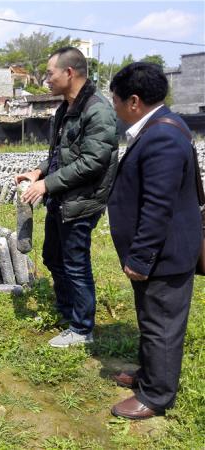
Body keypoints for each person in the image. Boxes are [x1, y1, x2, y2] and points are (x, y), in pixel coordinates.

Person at [108, 62, 201, 419]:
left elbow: (158, 207)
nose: (114, 108)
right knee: (150, 318)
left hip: (164, 254)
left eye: (115, 101)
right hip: (161, 253)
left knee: (162, 324)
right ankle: (150, 375)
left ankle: (157, 396)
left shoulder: (161, 135)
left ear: (134, 101)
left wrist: (141, 258)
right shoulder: (163, 126)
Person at [15, 47, 118, 347]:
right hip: (63, 198)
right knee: (52, 256)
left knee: (75, 263)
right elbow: (62, 155)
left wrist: (47, 185)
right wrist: (38, 172)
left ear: (69, 73)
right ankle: (67, 312)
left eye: (49, 73)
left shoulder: (96, 110)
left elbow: (92, 161)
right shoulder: (66, 108)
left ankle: (82, 328)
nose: (45, 79)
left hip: (82, 201)